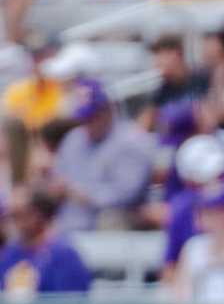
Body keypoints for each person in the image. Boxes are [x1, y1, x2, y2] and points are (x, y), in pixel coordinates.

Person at [50, 83, 155, 233]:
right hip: (70, 221)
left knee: (112, 219)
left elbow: (127, 197)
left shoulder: (132, 141)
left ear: (108, 110)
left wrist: (85, 195)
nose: (86, 124)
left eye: (91, 118)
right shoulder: (73, 139)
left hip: (110, 224)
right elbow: (59, 179)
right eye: (82, 119)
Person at [0, 193, 90, 298]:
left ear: (40, 215)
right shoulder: (10, 253)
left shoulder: (65, 256)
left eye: (19, 215)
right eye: (11, 216)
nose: (13, 222)